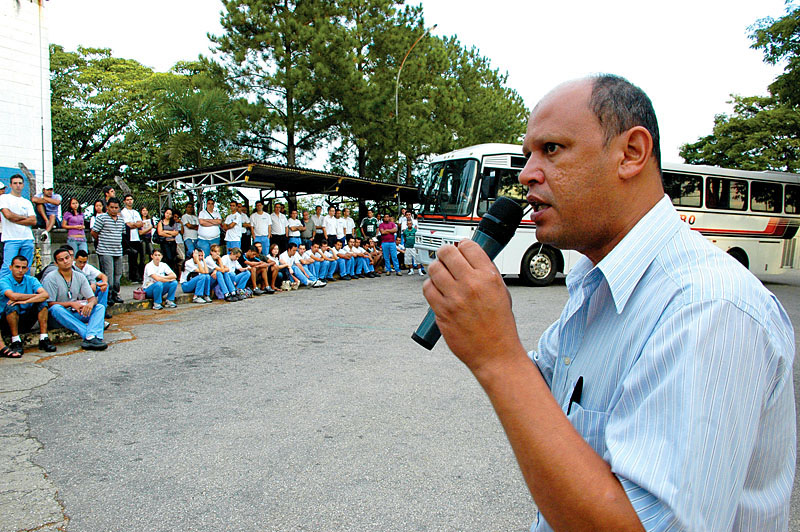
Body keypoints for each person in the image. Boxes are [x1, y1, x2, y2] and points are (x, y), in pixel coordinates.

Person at [422, 75, 796, 531]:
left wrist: (497, 356)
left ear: (631, 153)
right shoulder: (597, 284)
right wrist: (483, 330)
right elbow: (550, 397)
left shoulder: (707, 308)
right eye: (527, 156)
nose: (526, 175)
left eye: (552, 149)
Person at [44, 247, 107, 350]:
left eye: (67, 258)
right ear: (56, 263)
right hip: (58, 316)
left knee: (99, 307)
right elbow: (49, 304)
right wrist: (70, 304)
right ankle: (90, 336)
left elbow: (92, 298)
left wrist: (90, 304)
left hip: (74, 312)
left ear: (71, 259)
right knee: (56, 308)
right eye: (61, 260)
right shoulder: (50, 278)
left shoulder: (80, 276)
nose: (65, 261)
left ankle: (91, 337)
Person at [1, 255, 56, 353]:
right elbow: (13, 296)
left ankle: (44, 338)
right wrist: (33, 296)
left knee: (42, 303)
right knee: (12, 305)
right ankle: (15, 340)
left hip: (27, 318)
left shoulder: (32, 280)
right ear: (11, 267)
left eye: (23, 267)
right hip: (8, 321)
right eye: (17, 267)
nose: (20, 270)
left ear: (27, 269)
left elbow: (45, 294)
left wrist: (26, 301)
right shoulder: (4, 281)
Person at [90, 197, 126, 305]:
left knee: (117, 275)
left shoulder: (121, 220)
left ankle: (115, 294)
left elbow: (122, 233)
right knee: (108, 275)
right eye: (112, 207)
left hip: (118, 250)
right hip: (105, 251)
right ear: (107, 207)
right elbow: (94, 232)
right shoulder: (101, 218)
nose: (114, 210)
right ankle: (108, 295)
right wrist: (101, 241)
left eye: (116, 207)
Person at [0, 174, 36, 278]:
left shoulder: (27, 202)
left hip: (27, 239)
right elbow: (8, 216)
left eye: (20, 183)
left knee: (26, 268)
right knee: (8, 268)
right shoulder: (4, 198)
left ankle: (24, 291)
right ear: (10, 185)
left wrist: (15, 218)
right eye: (15, 183)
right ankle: (3, 292)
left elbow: (33, 221)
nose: (18, 185)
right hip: (11, 239)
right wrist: (25, 218)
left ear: (23, 185)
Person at [120, 194, 144, 283]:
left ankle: (139, 276)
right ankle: (132, 277)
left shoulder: (136, 212)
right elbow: (127, 225)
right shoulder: (123, 212)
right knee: (132, 258)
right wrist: (135, 224)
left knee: (139, 257)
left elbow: (141, 223)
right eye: (127, 200)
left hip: (136, 237)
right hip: (129, 237)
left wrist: (134, 224)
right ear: (124, 201)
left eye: (131, 199)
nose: (129, 201)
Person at [156, 207, 180, 274]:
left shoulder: (173, 223)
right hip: (165, 242)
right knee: (168, 257)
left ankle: (172, 272)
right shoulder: (161, 222)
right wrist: (170, 234)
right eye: (167, 213)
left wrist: (165, 231)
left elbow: (176, 233)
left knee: (173, 258)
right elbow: (160, 233)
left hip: (173, 242)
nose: (168, 215)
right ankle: (166, 272)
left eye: (170, 214)